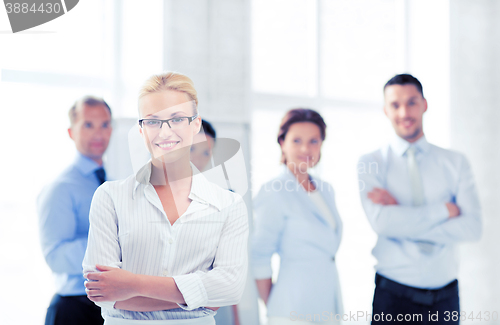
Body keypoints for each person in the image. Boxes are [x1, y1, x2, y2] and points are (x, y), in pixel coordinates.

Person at [82, 72, 249, 325]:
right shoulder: (110, 197)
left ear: (195, 125)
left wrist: (133, 284)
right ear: (141, 129)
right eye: (152, 122)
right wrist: (199, 294)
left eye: (177, 119)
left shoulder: (229, 205)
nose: (165, 132)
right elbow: (102, 292)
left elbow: (230, 289)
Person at [357, 74, 482, 324]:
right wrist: (444, 211)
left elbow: (472, 229)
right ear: (385, 110)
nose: (404, 111)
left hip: (445, 297)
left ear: (424, 104)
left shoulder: (455, 163)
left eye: (412, 102)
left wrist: (401, 216)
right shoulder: (371, 163)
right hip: (392, 296)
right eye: (395, 104)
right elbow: (383, 224)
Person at [252, 108, 343, 324]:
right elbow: (259, 255)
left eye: (314, 141)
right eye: (297, 141)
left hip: (328, 307)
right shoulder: (275, 190)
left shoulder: (326, 190)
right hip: (292, 310)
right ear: (282, 142)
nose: (306, 148)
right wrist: (276, 307)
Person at [38, 96, 113, 325]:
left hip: (108, 307)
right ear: (72, 132)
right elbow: (55, 257)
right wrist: (110, 244)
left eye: (105, 124)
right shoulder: (60, 188)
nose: (98, 134)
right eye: (88, 125)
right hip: (73, 309)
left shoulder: (113, 183)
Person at [190, 120, 241, 325]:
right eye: (192, 149)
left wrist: (236, 316)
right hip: (176, 301)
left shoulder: (225, 199)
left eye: (206, 152)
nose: (198, 159)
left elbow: (231, 264)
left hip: (215, 299)